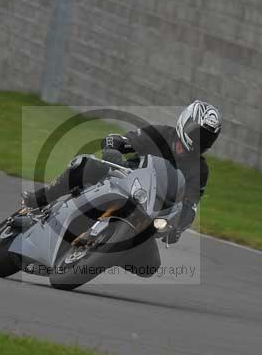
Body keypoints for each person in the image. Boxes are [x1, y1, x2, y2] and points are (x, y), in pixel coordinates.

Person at [22, 100, 222, 247]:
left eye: (207, 138)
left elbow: (190, 205)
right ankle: (42, 198)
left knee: (150, 267)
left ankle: (102, 252)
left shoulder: (200, 169)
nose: (201, 141)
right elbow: (121, 140)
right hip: (123, 179)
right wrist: (114, 151)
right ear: (185, 122)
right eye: (198, 133)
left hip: (148, 210)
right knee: (84, 165)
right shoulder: (160, 134)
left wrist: (178, 227)